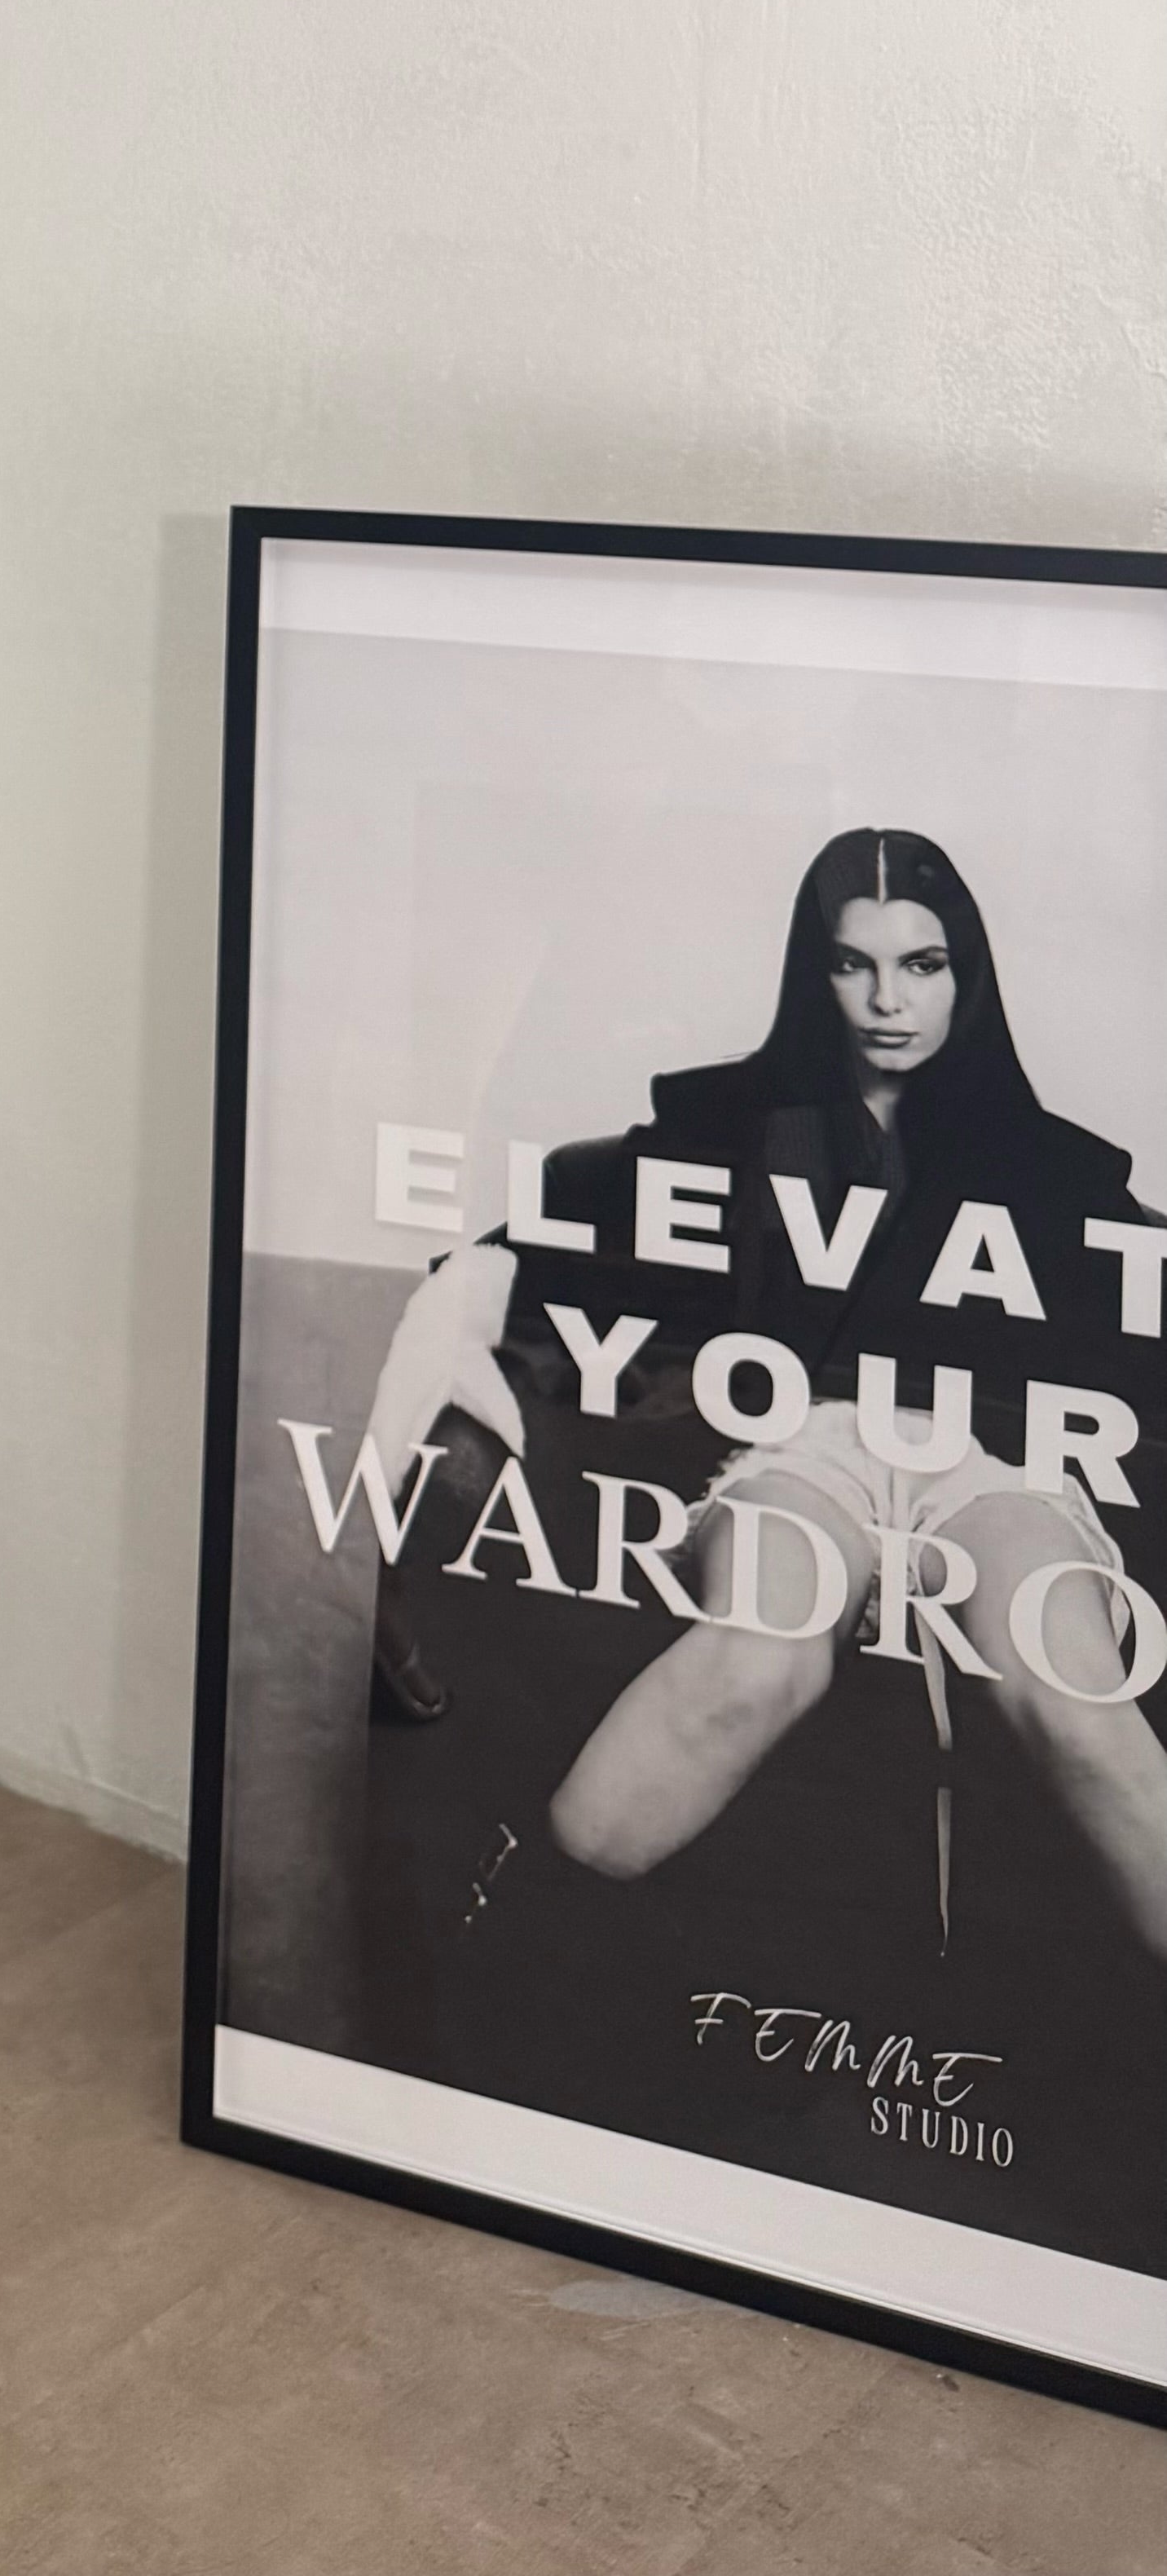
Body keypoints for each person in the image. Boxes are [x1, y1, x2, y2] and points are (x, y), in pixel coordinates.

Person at [368, 828, 1167, 1956]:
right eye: (854, 964)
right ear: (814, 971)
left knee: (1079, 1701)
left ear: (966, 975)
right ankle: (502, 1929)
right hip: (809, 1451)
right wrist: (456, 1323)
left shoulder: (1054, 1164)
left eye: (922, 965)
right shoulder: (729, 1122)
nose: (887, 1000)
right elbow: (527, 1244)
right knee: (757, 1659)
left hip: (996, 1464)